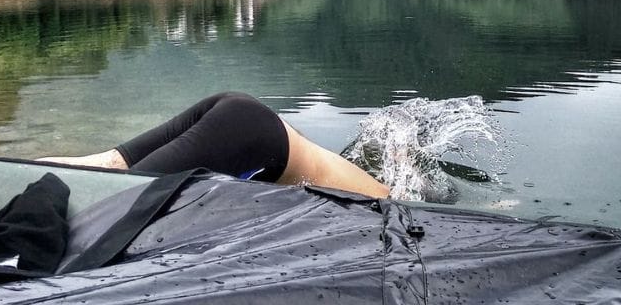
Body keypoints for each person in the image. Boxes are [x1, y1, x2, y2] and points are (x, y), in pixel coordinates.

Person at [38, 92, 390, 199]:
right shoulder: (391, 206)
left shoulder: (377, 188)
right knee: (118, 200)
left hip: (239, 114)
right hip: (252, 138)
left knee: (110, 166)